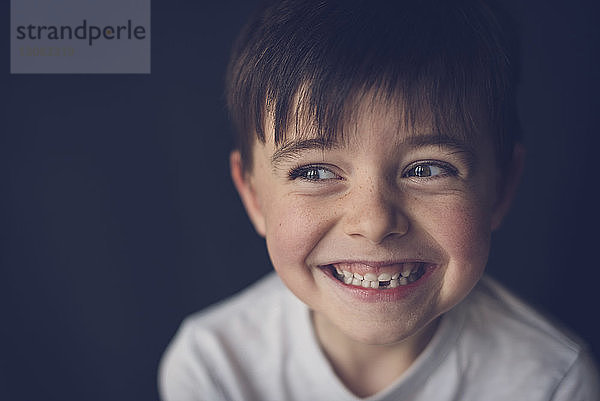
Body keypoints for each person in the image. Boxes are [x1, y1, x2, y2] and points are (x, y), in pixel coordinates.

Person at [159, 0, 600, 399]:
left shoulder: (551, 382)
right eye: (314, 172)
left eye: (427, 169)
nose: (373, 222)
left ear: (501, 188)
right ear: (254, 195)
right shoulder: (213, 368)